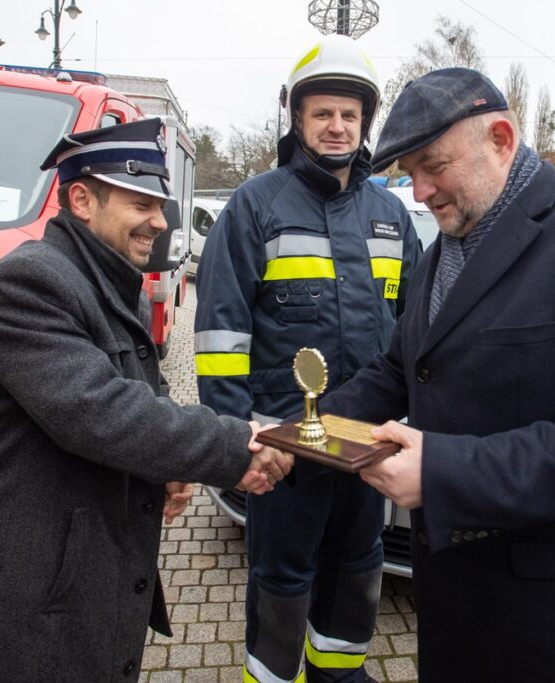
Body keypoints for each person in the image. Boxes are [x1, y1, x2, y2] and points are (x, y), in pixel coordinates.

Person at [320, 68, 555, 681]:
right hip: (452, 597)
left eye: (432, 166)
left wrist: (444, 473)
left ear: (500, 139)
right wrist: (306, 431)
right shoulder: (441, 253)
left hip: (553, 619)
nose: (420, 191)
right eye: (409, 173)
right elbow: (399, 370)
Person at [0, 118, 292, 682]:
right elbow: (101, 412)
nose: (160, 221)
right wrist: (234, 443)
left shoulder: (109, 282)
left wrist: (168, 466)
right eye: (141, 204)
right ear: (82, 200)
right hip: (29, 606)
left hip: (82, 588)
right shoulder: (25, 284)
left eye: (160, 206)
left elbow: (144, 391)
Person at [194, 35, 421, 683]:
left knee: (358, 564)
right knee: (282, 577)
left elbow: (415, 330)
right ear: (297, 118)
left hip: (363, 440)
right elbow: (220, 336)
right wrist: (236, 439)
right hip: (281, 446)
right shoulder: (254, 205)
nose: (337, 125)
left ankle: (339, 674)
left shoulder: (390, 214)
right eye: (323, 112)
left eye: (349, 114)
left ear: (365, 122)